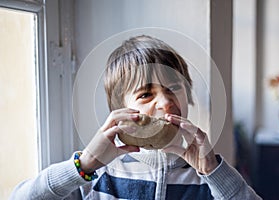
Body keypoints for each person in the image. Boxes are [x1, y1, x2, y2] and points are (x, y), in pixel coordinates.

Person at [10, 35, 261, 200]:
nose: (165, 103)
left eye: (174, 88)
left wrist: (214, 172)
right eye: (145, 94)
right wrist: (83, 164)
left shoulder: (210, 178)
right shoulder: (96, 176)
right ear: (120, 110)